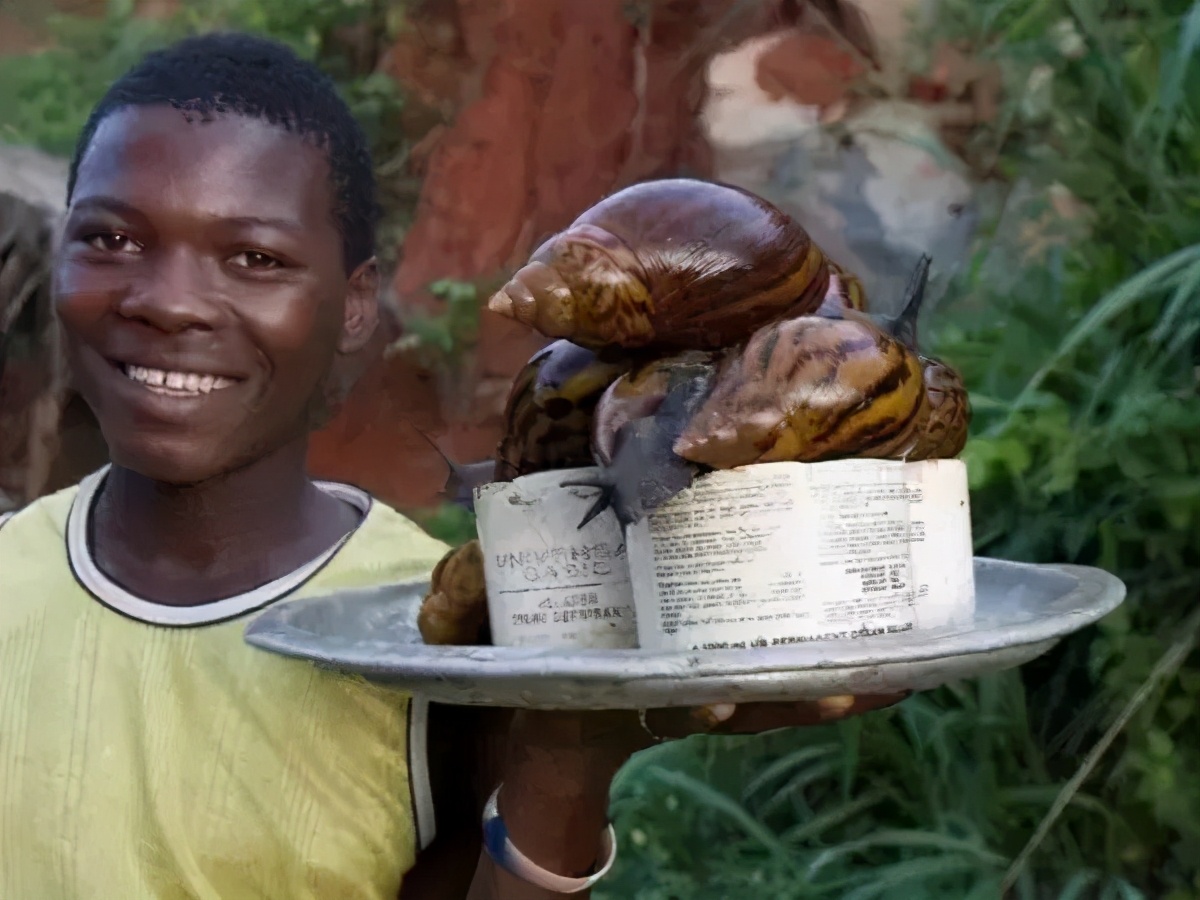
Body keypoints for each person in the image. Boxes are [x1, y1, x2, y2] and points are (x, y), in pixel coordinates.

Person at [0, 32, 904, 899]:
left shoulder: (438, 637)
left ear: (355, 306)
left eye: (254, 257)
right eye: (113, 240)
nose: (167, 303)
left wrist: (566, 757)